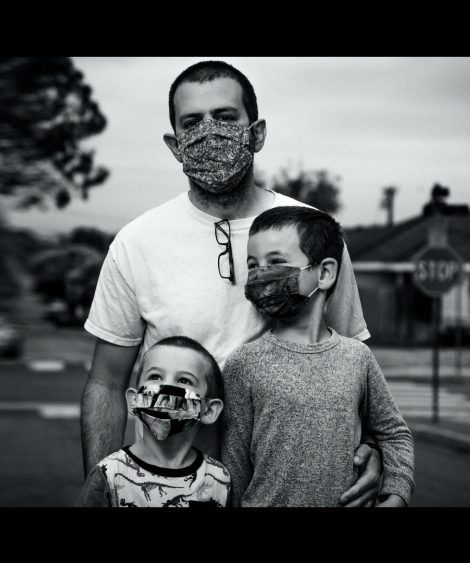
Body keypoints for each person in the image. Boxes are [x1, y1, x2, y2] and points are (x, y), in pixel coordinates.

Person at [81, 60, 381, 506]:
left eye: (225, 118)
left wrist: (374, 448)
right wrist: (103, 488)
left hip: (292, 492)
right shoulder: (136, 242)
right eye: (192, 123)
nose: (209, 132)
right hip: (171, 492)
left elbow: (351, 359)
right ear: (175, 144)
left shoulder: (313, 236)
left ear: (256, 133)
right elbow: (107, 383)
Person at [221, 206, 415, 507]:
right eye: (253, 265)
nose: (260, 275)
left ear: (324, 273)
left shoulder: (357, 358)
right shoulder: (243, 364)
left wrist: (397, 495)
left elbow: (394, 433)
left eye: (275, 262)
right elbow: (234, 466)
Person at [76, 336, 230, 507]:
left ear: (208, 410)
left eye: (184, 380)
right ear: (134, 400)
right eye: (155, 376)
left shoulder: (219, 479)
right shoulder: (109, 474)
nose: (164, 389)